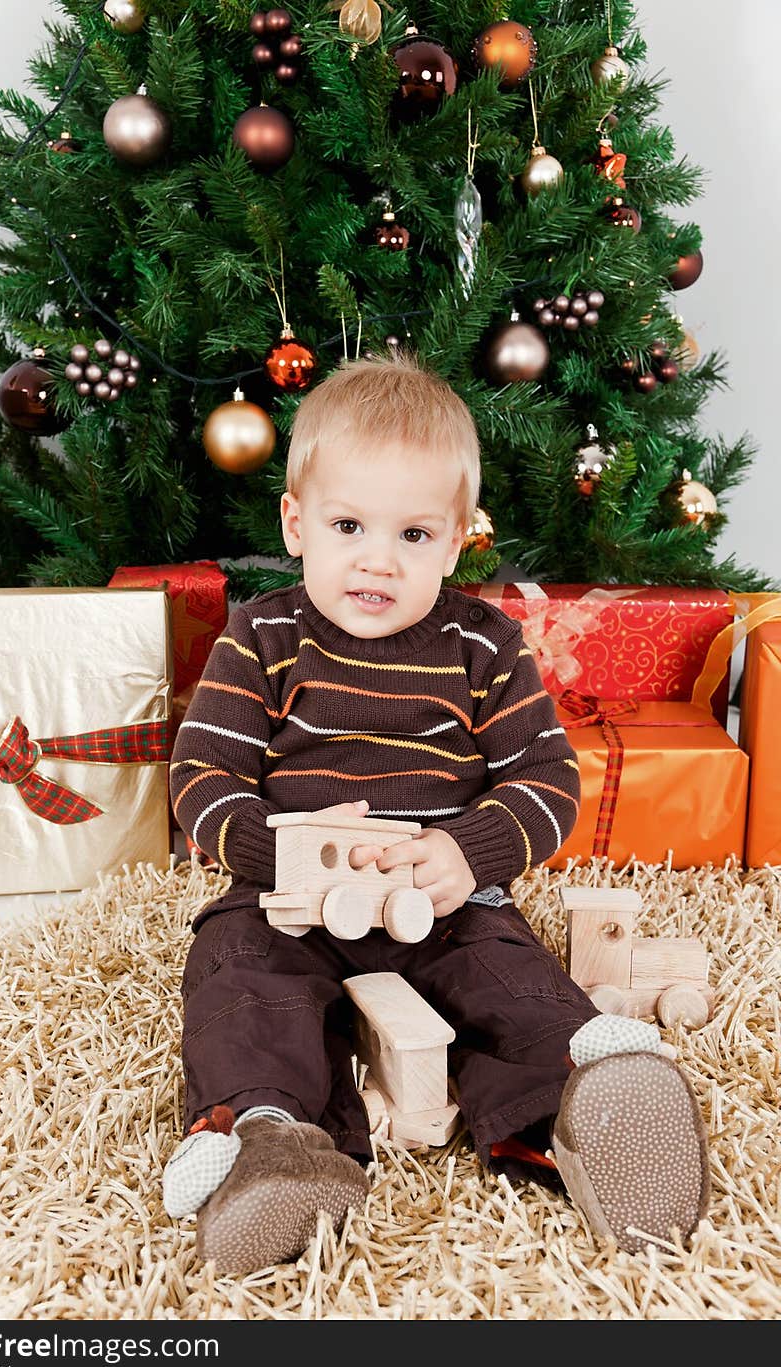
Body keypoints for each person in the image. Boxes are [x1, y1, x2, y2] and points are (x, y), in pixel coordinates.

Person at [164, 353, 709, 1274]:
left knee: (510, 981)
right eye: (349, 525)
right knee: (240, 985)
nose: (378, 558)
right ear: (297, 525)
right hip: (289, 903)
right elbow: (202, 776)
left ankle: (584, 1106)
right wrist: (274, 853)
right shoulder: (262, 635)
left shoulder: (483, 644)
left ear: (455, 543)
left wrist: (470, 849)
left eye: (414, 535)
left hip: (441, 898)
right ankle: (273, 1142)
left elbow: (546, 778)